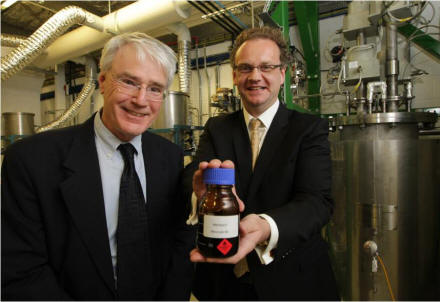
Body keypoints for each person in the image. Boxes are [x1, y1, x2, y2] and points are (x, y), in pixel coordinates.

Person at [1, 32, 194, 300]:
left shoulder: (170, 156)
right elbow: (21, 269)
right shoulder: (31, 160)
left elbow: (177, 241)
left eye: (154, 89)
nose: (141, 100)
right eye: (129, 82)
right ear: (102, 81)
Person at [185, 26, 339, 300]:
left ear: (282, 74)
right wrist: (199, 194)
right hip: (224, 283)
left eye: (266, 67)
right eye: (246, 68)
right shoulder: (217, 128)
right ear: (234, 75)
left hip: (292, 281)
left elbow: (317, 202)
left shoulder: (308, 129)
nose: (255, 77)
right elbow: (196, 175)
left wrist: (267, 226)